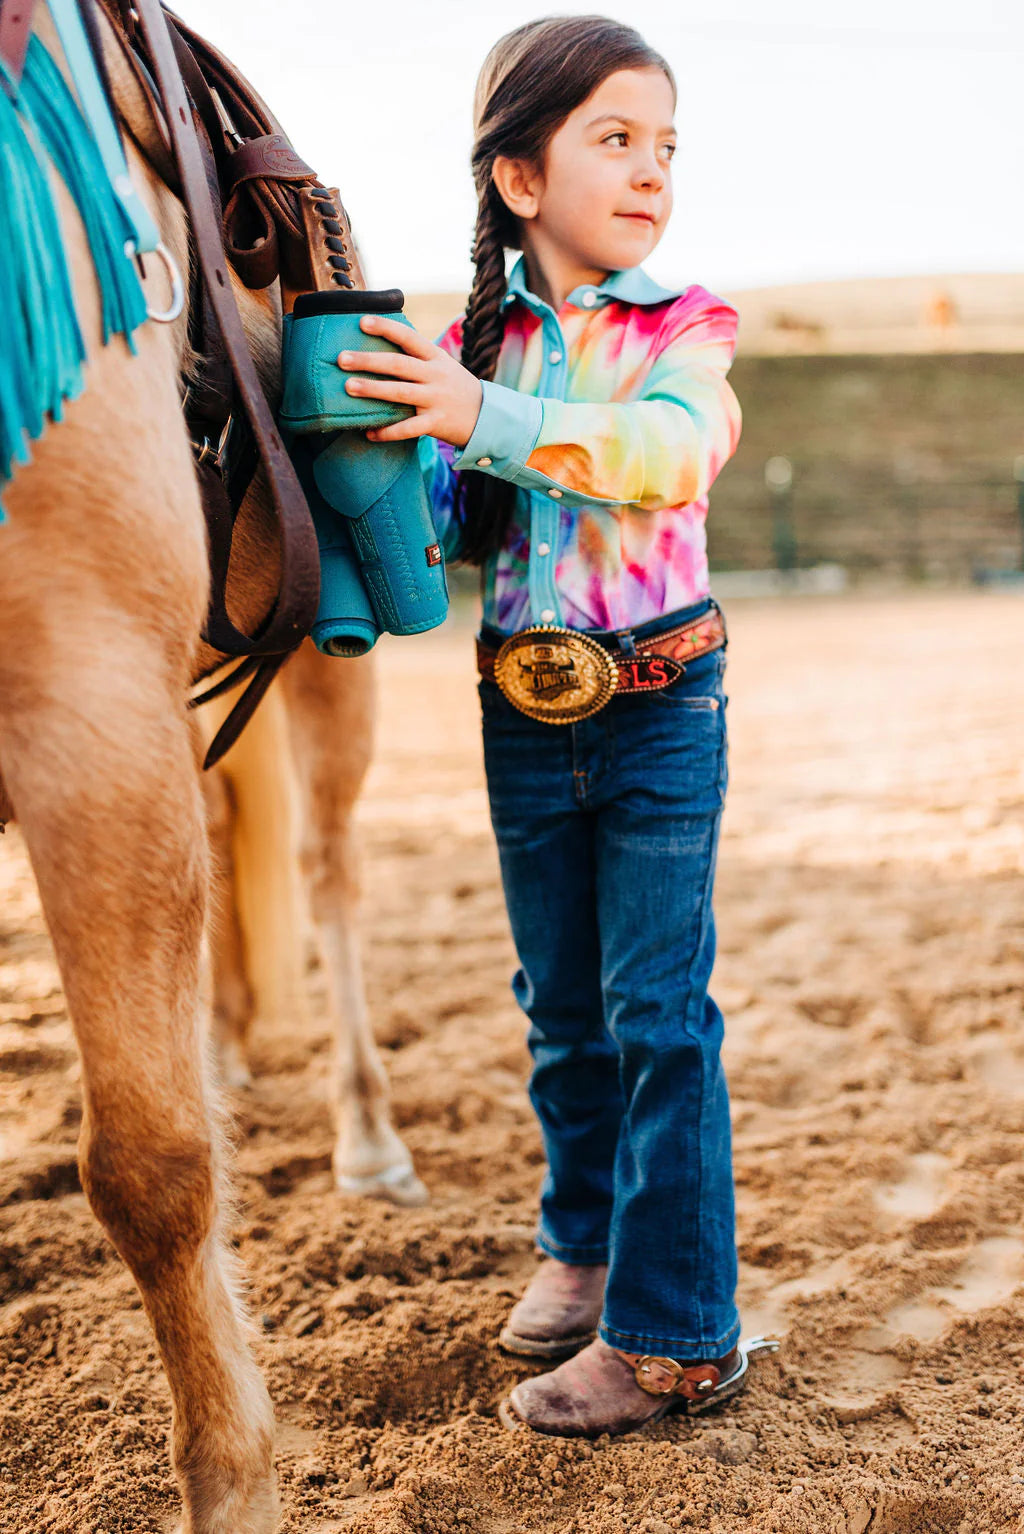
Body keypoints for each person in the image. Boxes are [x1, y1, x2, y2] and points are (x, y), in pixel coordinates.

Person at [334, 13, 759, 1438]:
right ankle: (584, 1251)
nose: (652, 171)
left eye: (666, 145)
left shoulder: (685, 325)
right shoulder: (472, 343)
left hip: (659, 708)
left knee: (658, 1016)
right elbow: (449, 526)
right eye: (616, 139)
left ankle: (679, 1334)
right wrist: (382, 443)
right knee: (563, 1018)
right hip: (521, 710)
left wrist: (479, 412)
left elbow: (667, 454)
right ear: (520, 176)